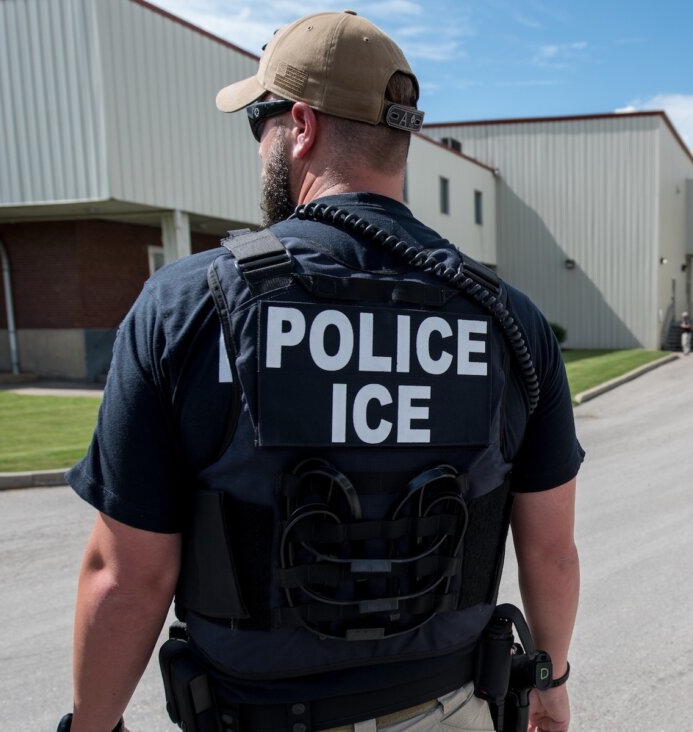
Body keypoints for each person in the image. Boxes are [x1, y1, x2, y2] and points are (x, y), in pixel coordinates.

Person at [62, 12, 582, 732]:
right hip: (451, 708)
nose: (260, 148)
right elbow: (550, 550)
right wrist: (549, 680)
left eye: (260, 125)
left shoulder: (188, 305)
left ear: (299, 126)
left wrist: (91, 726)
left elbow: (127, 577)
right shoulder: (508, 321)